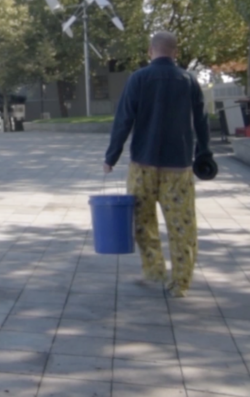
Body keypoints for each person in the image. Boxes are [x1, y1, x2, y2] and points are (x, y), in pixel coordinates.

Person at [103, 31, 212, 298]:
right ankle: (180, 283)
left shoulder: (138, 79)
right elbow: (202, 122)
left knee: (142, 221)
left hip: (143, 163)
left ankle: (154, 269)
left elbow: (123, 120)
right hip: (179, 167)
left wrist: (111, 157)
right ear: (175, 52)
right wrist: (205, 153)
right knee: (182, 226)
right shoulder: (189, 80)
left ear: (150, 51)